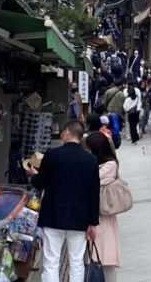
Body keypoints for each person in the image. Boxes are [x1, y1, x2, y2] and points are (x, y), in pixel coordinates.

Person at [26, 120, 100, 282]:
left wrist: (33, 174)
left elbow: (40, 183)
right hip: (80, 217)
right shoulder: (91, 161)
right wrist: (93, 222)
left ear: (67, 132)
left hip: (53, 214)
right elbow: (94, 193)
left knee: (51, 261)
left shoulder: (52, 155)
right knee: (76, 262)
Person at [85, 132, 122, 282]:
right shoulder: (99, 164)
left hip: (104, 215)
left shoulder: (110, 165)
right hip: (93, 215)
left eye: (89, 149)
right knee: (92, 256)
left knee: (106, 257)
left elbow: (92, 181)